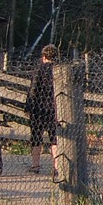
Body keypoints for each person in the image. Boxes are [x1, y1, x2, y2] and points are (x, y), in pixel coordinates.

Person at [26, 44, 58, 175]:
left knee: (36, 137)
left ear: (44, 56)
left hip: (39, 109)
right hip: (53, 108)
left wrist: (29, 106)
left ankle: (35, 165)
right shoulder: (58, 70)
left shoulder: (39, 69)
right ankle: (56, 167)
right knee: (55, 138)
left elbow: (33, 89)